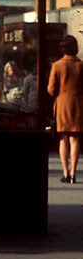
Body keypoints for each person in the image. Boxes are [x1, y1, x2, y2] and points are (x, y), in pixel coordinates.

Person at [48, 35, 83, 184]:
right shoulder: (81, 65)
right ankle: (74, 174)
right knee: (75, 139)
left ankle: (65, 172)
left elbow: (51, 89)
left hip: (62, 105)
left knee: (63, 139)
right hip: (78, 105)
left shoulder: (57, 65)